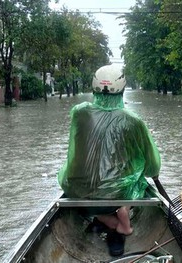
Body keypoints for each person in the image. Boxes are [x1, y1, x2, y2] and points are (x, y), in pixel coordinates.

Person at [57, 64, 161, 256]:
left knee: (72, 177)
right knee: (139, 180)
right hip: (116, 197)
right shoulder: (133, 121)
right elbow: (152, 167)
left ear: (93, 88)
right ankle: (120, 219)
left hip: (78, 192)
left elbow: (74, 153)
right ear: (122, 90)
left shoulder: (79, 113)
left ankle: (106, 219)